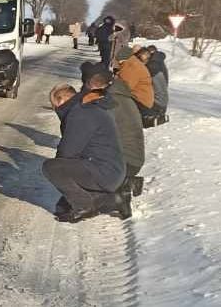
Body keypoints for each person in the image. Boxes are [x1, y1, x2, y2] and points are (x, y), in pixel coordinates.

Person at [43, 83, 127, 223]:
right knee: (62, 206)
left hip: (105, 172)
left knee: (51, 167)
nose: (55, 110)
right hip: (112, 170)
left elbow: (67, 153)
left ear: (61, 101)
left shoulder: (79, 114)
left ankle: (84, 207)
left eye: (54, 106)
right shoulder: (88, 109)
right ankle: (113, 200)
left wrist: (61, 178)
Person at [81, 63, 144, 211]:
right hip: (134, 160)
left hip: (124, 162)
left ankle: (118, 193)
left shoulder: (106, 101)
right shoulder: (121, 94)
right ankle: (126, 181)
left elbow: (88, 135)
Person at [113, 39, 155, 112]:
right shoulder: (133, 63)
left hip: (140, 102)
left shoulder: (132, 66)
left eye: (118, 61)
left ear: (123, 59)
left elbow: (123, 88)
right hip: (140, 99)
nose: (118, 63)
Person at [135, 46, 170, 127]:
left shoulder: (151, 67)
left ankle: (147, 119)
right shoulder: (157, 62)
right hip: (162, 100)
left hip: (157, 103)